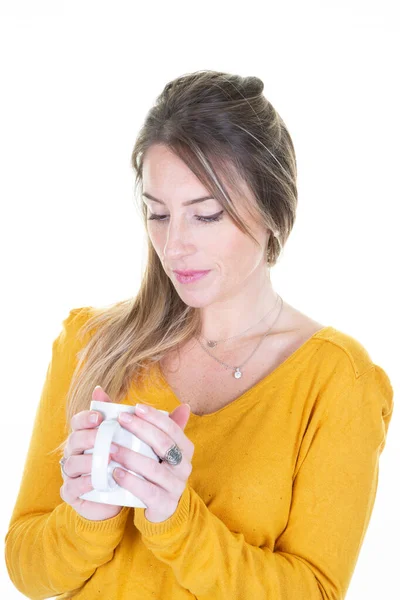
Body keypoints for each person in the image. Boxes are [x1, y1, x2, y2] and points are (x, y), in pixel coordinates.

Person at [5, 70, 394, 599]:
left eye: (206, 215)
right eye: (158, 213)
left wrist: (178, 519)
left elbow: (316, 591)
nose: (175, 245)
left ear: (274, 212)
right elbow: (27, 569)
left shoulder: (337, 380)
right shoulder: (90, 344)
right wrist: (85, 516)